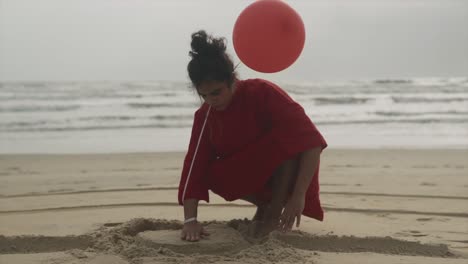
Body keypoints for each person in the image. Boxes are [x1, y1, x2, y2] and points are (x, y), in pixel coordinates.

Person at [178, 30, 327, 242]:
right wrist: (190, 220)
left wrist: (298, 197)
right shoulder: (205, 116)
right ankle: (265, 205)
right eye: (204, 95)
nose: (211, 100)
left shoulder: (263, 92)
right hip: (253, 173)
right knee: (209, 171)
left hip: (288, 172)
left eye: (217, 92)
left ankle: (274, 211)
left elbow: (310, 141)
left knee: (285, 139)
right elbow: (194, 166)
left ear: (232, 80)